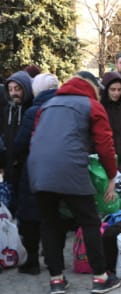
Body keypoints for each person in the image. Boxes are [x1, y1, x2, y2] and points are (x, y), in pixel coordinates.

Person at [27, 71, 121, 294]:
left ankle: (56, 280)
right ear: (92, 87)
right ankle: (100, 277)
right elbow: (104, 144)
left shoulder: (47, 105)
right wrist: (111, 176)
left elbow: (35, 137)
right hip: (70, 167)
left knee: (50, 223)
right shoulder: (91, 105)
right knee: (89, 220)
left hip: (39, 169)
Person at [13, 73, 60, 275]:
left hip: (33, 169)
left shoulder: (33, 111)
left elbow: (21, 143)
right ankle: (55, 261)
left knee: (31, 217)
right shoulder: (63, 108)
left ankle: (32, 261)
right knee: (53, 217)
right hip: (60, 169)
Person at [1, 71, 34, 216]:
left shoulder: (31, 109)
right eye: (11, 89)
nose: (14, 93)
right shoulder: (7, 109)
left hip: (27, 163)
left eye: (17, 89)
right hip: (10, 163)